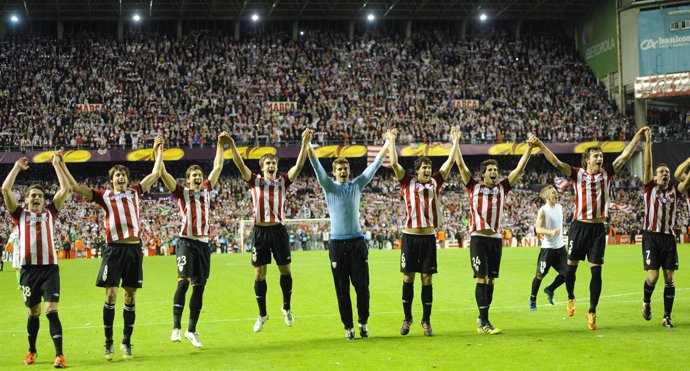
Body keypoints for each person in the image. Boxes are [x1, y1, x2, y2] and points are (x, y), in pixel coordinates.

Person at [532, 127, 647, 330]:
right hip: (579, 227)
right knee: (570, 271)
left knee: (596, 272)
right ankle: (570, 296)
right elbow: (556, 163)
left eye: (601, 155)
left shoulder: (607, 173)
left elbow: (625, 155)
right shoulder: (577, 174)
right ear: (587, 160)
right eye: (596, 155)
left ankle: (592, 311)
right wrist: (540, 144)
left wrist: (638, 136)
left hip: (597, 230)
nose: (600, 158)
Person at [61, 137, 164, 359]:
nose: (121, 177)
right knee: (110, 295)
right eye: (117, 175)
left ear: (127, 179)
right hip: (113, 251)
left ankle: (126, 342)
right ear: (111, 180)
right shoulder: (104, 196)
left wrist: (159, 150)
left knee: (130, 297)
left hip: (134, 250)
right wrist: (61, 165)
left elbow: (155, 174)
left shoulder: (136, 192)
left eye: (123, 175)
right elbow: (75, 187)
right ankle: (109, 343)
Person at [308, 128, 396, 340]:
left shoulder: (358, 184)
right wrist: (308, 144)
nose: (343, 171)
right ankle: (348, 327)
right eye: (339, 169)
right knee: (342, 290)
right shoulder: (328, 186)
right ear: (334, 172)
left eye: (345, 168)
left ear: (349, 170)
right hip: (337, 244)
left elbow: (375, 165)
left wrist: (387, 142)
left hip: (357, 242)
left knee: (362, 287)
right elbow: (315, 164)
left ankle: (363, 323)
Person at [227, 128, 313, 332]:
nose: (271, 165)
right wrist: (231, 144)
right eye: (268, 163)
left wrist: (305, 144)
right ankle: (262, 314)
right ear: (262, 167)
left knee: (285, 270)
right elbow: (239, 164)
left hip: (279, 231)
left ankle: (287, 307)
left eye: (273, 163)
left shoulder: (283, 181)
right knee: (259, 273)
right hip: (260, 232)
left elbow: (299, 165)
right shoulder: (254, 181)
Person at [455, 135, 536, 335]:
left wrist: (529, 148)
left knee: (491, 280)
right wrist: (455, 141)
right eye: (490, 170)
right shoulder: (472, 186)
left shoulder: (502, 187)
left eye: (495, 170)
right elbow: (460, 164)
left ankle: (483, 317)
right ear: (482, 174)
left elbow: (519, 169)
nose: (494, 172)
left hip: (495, 240)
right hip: (478, 238)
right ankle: (484, 321)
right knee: (481, 279)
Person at [160, 132, 231, 348]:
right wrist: (159, 152)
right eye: (194, 175)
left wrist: (220, 144)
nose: (198, 177)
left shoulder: (207, 189)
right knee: (183, 283)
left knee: (199, 288)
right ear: (188, 180)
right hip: (185, 242)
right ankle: (176, 327)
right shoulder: (181, 193)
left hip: (203, 244)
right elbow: (163, 174)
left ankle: (191, 330)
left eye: (200, 174)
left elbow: (217, 167)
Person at [389, 126, 460, 337]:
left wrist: (455, 140)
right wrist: (391, 140)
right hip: (410, 237)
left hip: (428, 237)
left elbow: (450, 162)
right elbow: (393, 163)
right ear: (417, 170)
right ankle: (407, 318)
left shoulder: (436, 182)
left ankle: (426, 321)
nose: (428, 170)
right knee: (408, 278)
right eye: (424, 167)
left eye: (429, 167)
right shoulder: (406, 181)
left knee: (427, 279)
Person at [2, 153, 71, 368]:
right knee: (33, 312)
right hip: (28, 271)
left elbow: (65, 190)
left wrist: (57, 165)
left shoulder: (51, 212)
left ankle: (59, 355)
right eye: (33, 195)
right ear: (26, 199)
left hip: (50, 270)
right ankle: (32, 350)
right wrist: (15, 168)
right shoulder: (19, 214)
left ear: (44, 199)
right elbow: (5, 189)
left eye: (40, 195)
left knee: (51, 310)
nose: (37, 198)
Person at [641, 130, 690, 328]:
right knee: (653, 276)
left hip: (669, 238)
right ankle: (646, 303)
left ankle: (667, 317)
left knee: (669, 277)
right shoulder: (649, 187)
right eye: (661, 172)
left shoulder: (675, 191)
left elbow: (686, 181)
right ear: (654, 176)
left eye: (667, 172)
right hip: (651, 236)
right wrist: (649, 142)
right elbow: (647, 164)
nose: (665, 174)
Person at [529, 185, 567, 311]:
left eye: (556, 193)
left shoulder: (560, 207)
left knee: (568, 274)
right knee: (540, 275)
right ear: (546, 196)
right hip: (548, 249)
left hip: (560, 248)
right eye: (553, 193)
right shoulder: (543, 210)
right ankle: (533, 299)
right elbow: (538, 229)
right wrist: (551, 232)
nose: (556, 195)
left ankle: (550, 289)